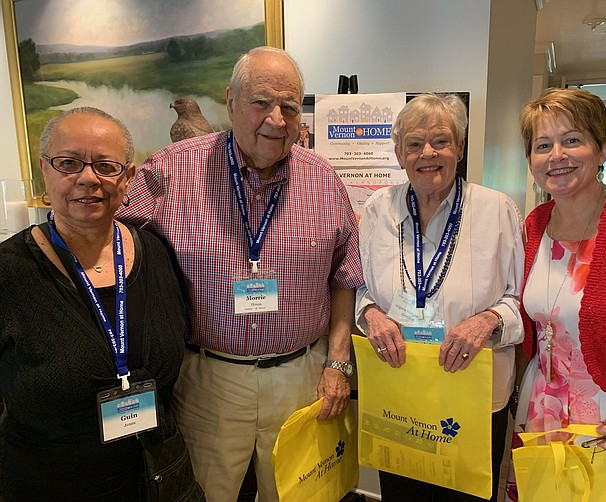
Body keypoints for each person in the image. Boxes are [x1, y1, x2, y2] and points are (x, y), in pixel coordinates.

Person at [116, 46, 363, 501]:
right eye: (261, 102)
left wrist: (338, 363)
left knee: (298, 495)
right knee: (205, 494)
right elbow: (117, 253)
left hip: (302, 378)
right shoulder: (171, 170)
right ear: (230, 101)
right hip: (208, 378)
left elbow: (344, 278)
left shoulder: (325, 179)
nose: (276, 119)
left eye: (289, 107)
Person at [0, 107, 200, 500]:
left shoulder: (157, 253)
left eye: (106, 166)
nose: (88, 179)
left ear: (127, 178)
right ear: (46, 170)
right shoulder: (8, 273)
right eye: (69, 163)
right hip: (51, 485)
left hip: (160, 479)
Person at [356, 93, 525, 501]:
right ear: (398, 153)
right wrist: (371, 315)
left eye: (441, 141)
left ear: (460, 148)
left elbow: (520, 300)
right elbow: (359, 287)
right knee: (401, 492)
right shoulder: (378, 208)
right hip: (400, 390)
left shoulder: (497, 210)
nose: (427, 153)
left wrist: (487, 321)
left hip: (470, 394)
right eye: (414, 144)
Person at [504, 87, 606, 500]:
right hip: (543, 415)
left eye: (572, 139)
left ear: (601, 150)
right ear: (531, 161)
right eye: (543, 145)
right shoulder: (534, 225)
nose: (556, 155)